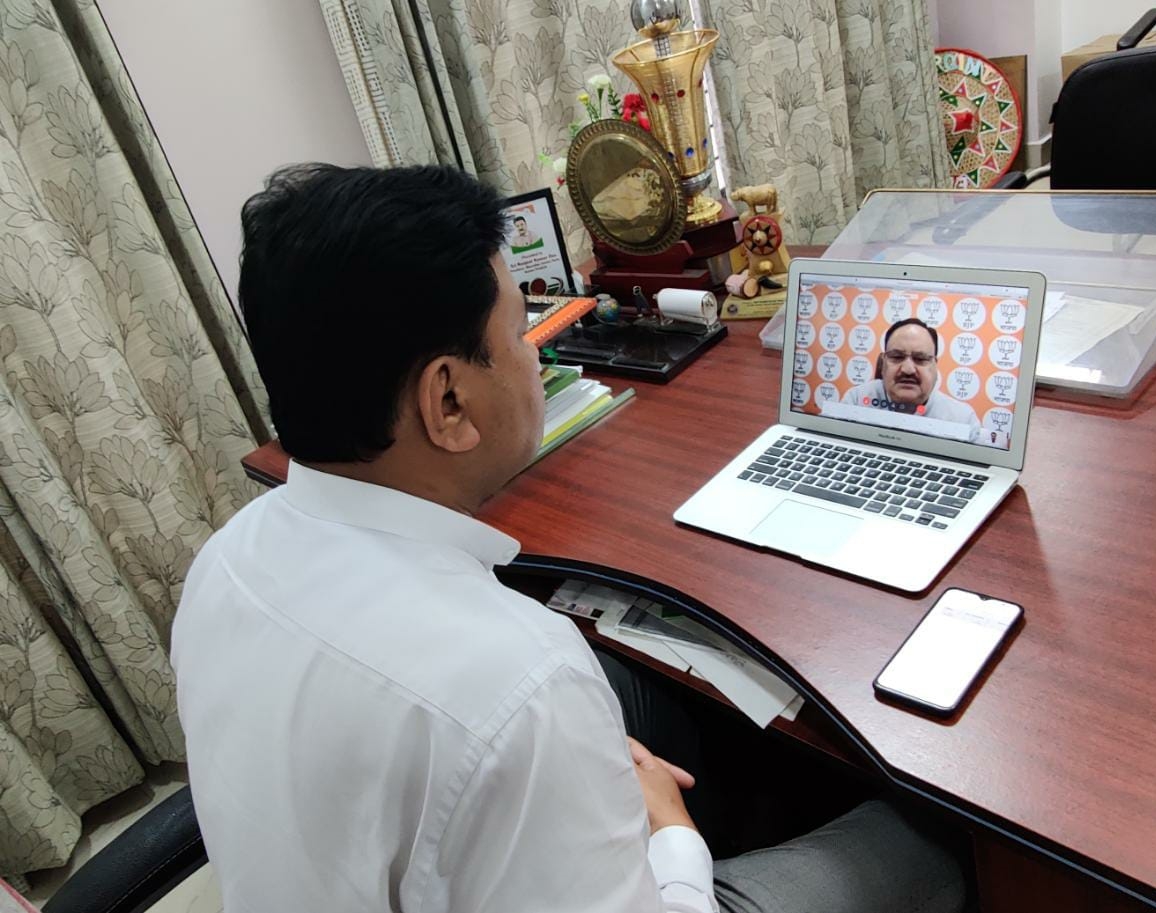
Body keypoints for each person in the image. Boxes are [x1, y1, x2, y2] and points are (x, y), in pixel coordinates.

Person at [172, 164, 966, 913]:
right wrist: (674, 838)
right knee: (935, 839)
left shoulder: (225, 563)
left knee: (636, 690)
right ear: (447, 400)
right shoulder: (522, 683)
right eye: (521, 333)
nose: (537, 351)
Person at [842, 318, 983, 441]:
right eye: (896, 357)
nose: (908, 369)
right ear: (883, 364)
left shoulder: (962, 419)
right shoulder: (856, 399)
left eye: (920, 359)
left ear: (935, 367)